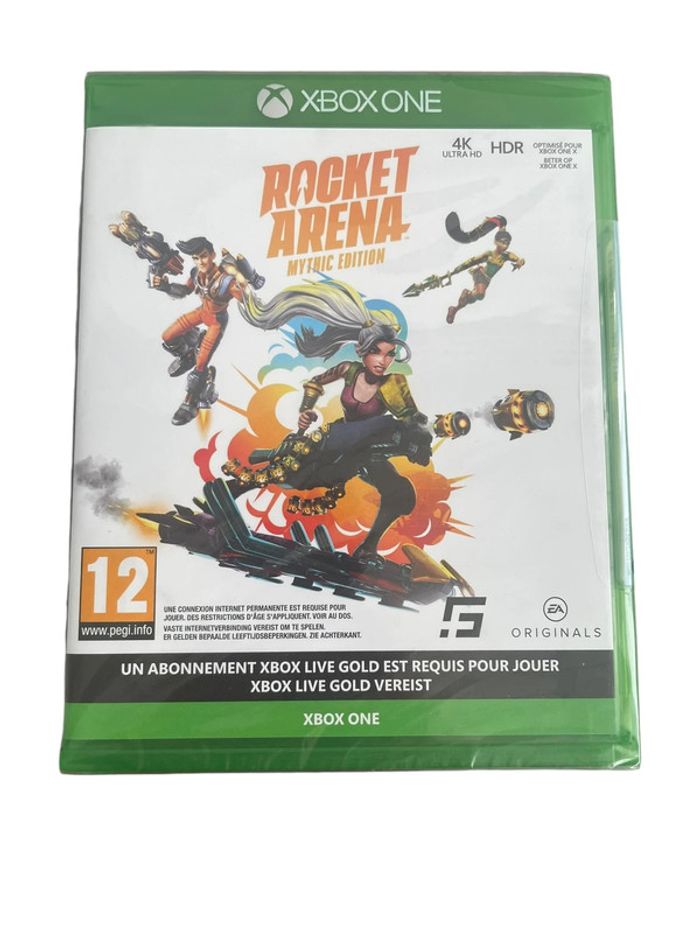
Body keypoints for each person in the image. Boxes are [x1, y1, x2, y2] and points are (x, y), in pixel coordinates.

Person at [233, 280, 432, 557]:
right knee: (293, 474)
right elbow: (315, 382)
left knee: (400, 494)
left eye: (389, 355)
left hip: (366, 448)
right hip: (337, 438)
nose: (383, 361)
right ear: (363, 350)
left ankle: (367, 550)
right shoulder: (349, 370)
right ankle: (232, 490)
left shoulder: (392, 383)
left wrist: (420, 440)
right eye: (376, 352)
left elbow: (411, 419)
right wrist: (306, 409)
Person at [154, 236, 265, 425]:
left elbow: (247, 300)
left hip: (216, 321)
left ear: (212, 255)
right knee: (168, 336)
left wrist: (246, 282)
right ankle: (188, 355)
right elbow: (185, 291)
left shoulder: (227, 281)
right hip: (201, 313)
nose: (200, 262)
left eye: (203, 256)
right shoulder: (196, 273)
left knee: (200, 367)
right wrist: (166, 287)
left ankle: (190, 402)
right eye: (195, 258)